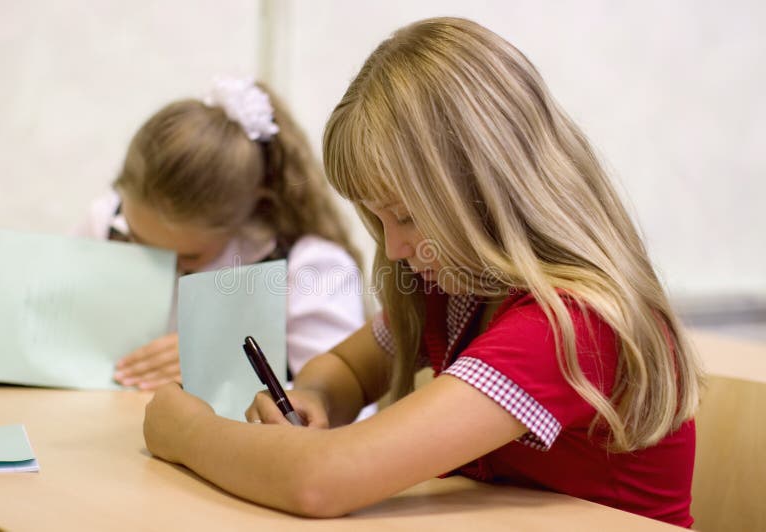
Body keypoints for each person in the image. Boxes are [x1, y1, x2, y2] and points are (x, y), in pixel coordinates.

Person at [142, 18, 703, 527]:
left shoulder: (566, 325)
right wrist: (316, 397)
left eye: (406, 216)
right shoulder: (458, 287)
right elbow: (348, 368)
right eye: (379, 219)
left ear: (490, 190)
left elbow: (322, 482)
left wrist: (188, 433)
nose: (393, 245)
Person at [0, 77, 365, 390]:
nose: (159, 268)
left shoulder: (309, 267)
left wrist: (222, 368)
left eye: (187, 258)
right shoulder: (110, 223)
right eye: (141, 245)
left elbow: (349, 408)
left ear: (248, 215)